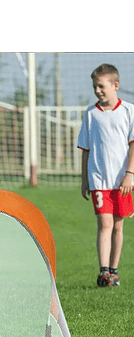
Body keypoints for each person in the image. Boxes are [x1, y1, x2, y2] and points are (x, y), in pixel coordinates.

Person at [78, 63, 134, 287]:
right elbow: (86, 149)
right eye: (95, 87)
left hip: (123, 182)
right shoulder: (91, 114)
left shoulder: (129, 111)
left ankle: (114, 270)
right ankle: (103, 272)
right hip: (99, 180)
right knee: (104, 223)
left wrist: (130, 174)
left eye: (101, 86)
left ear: (115, 85)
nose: (97, 91)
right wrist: (84, 179)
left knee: (118, 226)